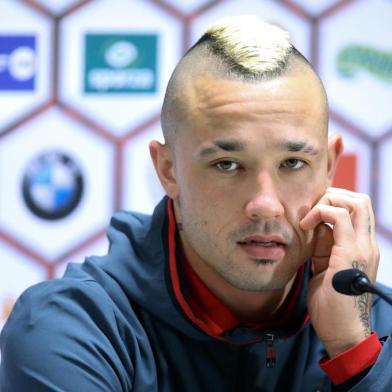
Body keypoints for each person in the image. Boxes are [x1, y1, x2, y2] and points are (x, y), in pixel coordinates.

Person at [1, 15, 391, 392]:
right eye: (227, 164)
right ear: (168, 170)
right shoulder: (73, 327)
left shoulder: (378, 327)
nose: (266, 204)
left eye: (292, 163)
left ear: (329, 166)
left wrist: (354, 353)